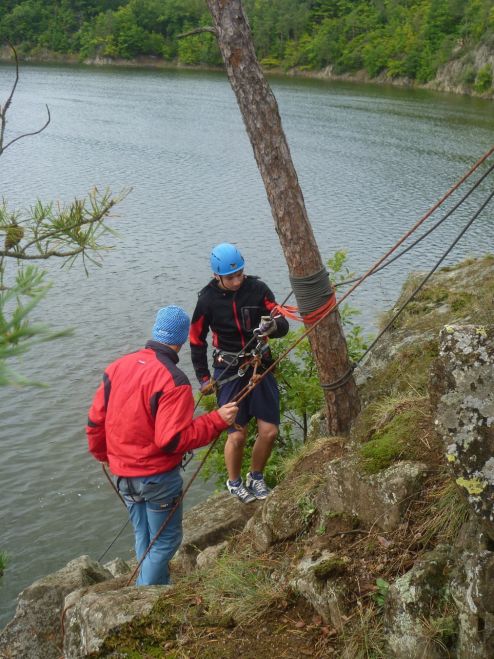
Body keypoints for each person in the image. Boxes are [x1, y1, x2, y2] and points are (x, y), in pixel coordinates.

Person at [85, 305, 238, 586]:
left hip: (124, 476)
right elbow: (171, 440)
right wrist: (216, 420)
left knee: (144, 536)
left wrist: (103, 455)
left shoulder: (116, 367)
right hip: (157, 478)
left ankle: (154, 585)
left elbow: (95, 422)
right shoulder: (173, 379)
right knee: (165, 541)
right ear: (180, 341)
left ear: (156, 331)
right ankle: (144, 600)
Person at [190, 243, 289, 503]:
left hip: (259, 364)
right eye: (231, 277)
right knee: (237, 433)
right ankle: (234, 483)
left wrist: (271, 327)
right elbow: (196, 339)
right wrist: (203, 378)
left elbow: (282, 321)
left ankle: (255, 476)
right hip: (228, 369)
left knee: (269, 431)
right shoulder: (207, 300)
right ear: (216, 276)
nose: (237, 281)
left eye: (240, 274)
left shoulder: (257, 290)